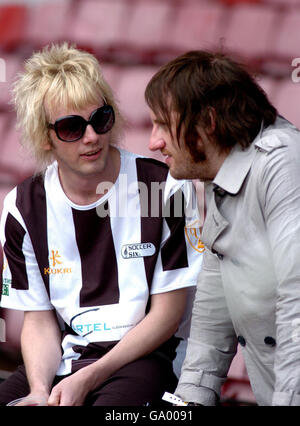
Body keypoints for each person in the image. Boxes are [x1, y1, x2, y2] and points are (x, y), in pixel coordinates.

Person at [0, 43, 202, 406]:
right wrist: (40, 391)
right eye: (71, 128)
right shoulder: (23, 207)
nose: (92, 136)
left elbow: (169, 315)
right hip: (67, 357)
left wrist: (90, 376)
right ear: (45, 136)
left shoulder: (163, 187)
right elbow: (39, 318)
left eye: (101, 119)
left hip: (151, 358)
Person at [144, 50, 300, 406]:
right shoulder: (218, 173)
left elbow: (298, 304)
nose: (154, 142)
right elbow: (211, 327)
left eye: (164, 125)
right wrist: (185, 405)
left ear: (208, 123)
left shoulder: (283, 164)